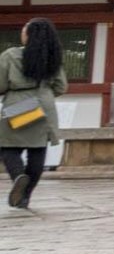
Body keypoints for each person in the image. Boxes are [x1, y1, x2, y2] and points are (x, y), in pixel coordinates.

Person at [0, 18, 67, 210]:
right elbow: (61, 86)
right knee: (37, 149)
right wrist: (43, 95)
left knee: (8, 146)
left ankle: (18, 175)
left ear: (28, 35)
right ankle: (25, 195)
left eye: (23, 30)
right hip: (43, 104)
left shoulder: (10, 55)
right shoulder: (53, 58)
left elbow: (1, 84)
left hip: (18, 103)